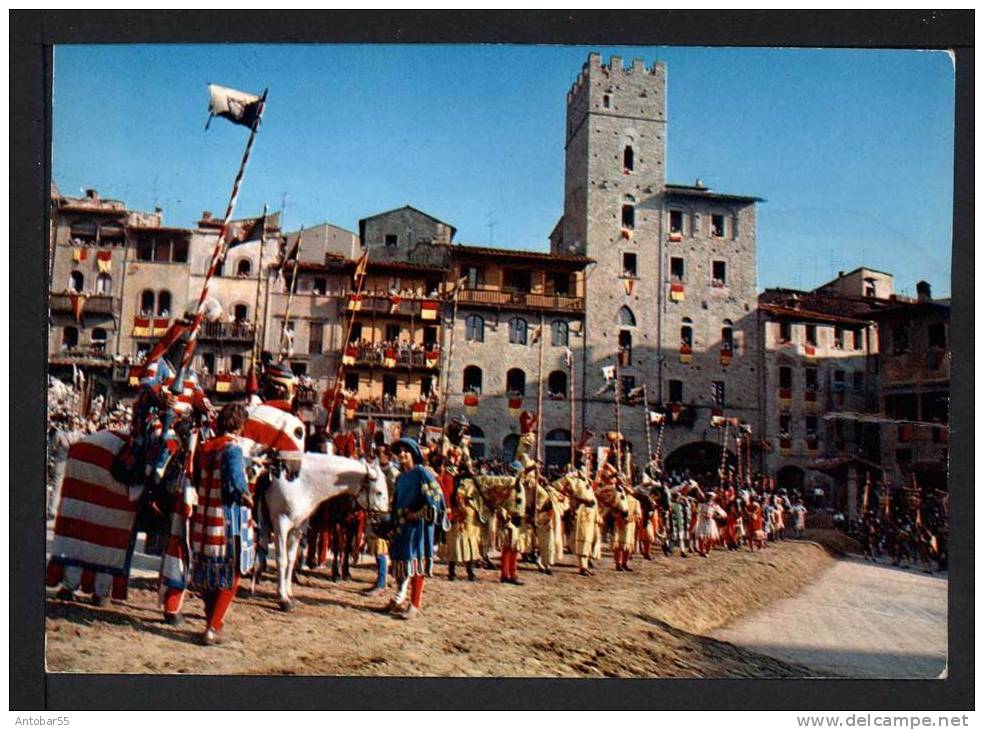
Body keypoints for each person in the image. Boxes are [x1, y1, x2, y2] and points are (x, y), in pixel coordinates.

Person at [187, 403, 255, 645]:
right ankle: (213, 627)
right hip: (226, 521)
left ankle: (212, 621)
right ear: (239, 425)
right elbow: (236, 480)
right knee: (232, 573)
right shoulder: (233, 448)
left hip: (203, 520)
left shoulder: (205, 448)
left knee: (208, 574)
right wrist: (246, 494)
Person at [384, 438, 447, 620]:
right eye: (399, 452)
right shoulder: (401, 477)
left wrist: (418, 514)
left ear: (413, 454)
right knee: (401, 563)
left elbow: (436, 499)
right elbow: (396, 501)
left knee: (415, 563)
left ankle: (415, 605)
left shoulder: (422, 473)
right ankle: (399, 600)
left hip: (418, 526)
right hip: (401, 525)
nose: (402, 454)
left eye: (406, 451)